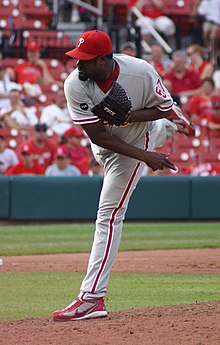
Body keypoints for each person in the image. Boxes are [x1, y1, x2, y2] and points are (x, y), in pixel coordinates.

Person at [52, 30, 194, 321]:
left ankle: (91, 298)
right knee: (157, 128)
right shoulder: (75, 84)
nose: (79, 65)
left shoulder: (140, 71)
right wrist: (147, 154)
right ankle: (170, 127)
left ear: (104, 59)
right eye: (77, 58)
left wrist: (132, 121)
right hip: (104, 145)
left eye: (86, 60)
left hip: (134, 144)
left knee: (109, 214)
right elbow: (99, 135)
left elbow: (160, 107)